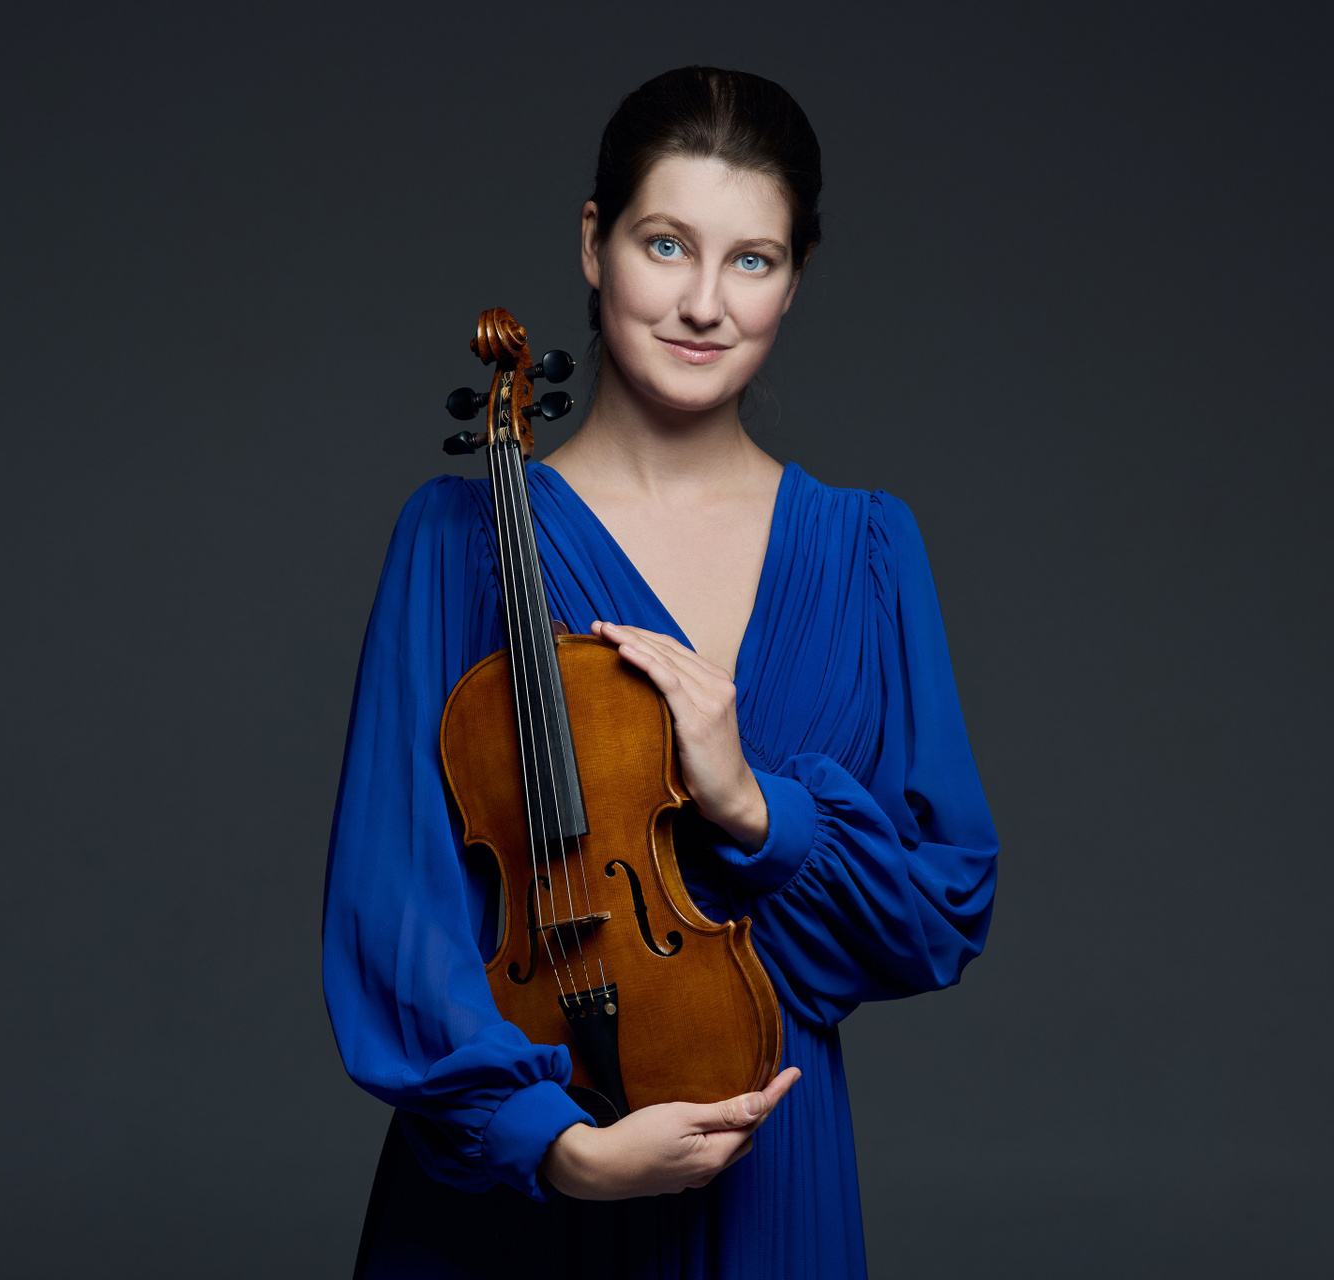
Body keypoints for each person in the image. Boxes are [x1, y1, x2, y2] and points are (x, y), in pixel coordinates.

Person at [322, 66, 999, 1279]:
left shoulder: (869, 550)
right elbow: (397, 906)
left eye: (753, 260)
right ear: (596, 244)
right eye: (666, 244)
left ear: (795, 277)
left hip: (762, 1166)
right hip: (511, 1181)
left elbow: (938, 909)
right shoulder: (459, 538)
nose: (702, 302)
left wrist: (757, 807)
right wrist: (559, 1145)